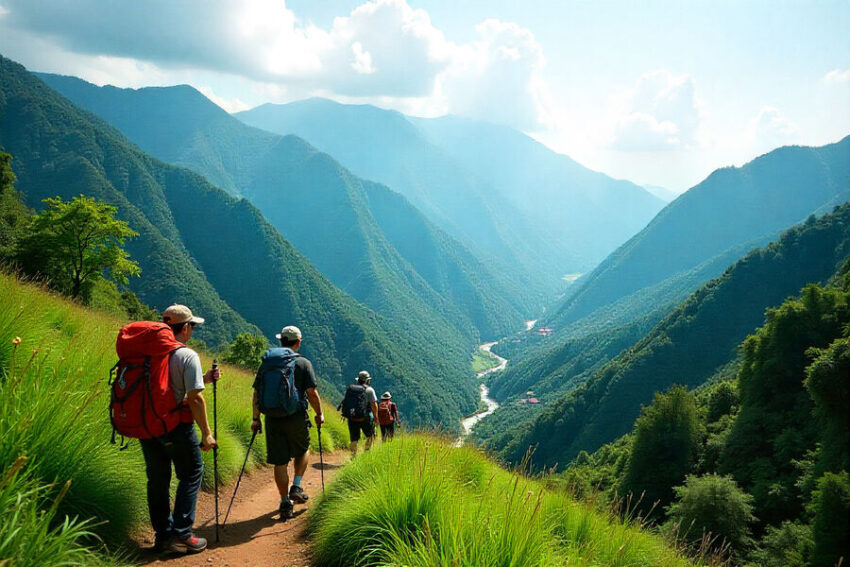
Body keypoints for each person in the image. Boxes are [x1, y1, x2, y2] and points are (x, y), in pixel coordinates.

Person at [140, 304, 220, 555]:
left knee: (158, 479)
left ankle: (163, 535)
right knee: (192, 471)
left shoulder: (146, 352)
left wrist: (204, 378)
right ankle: (182, 535)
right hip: (175, 426)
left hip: (147, 425)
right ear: (185, 328)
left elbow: (166, 388)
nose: (192, 331)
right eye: (192, 326)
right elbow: (195, 399)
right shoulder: (186, 355)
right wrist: (207, 433)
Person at [251, 325, 324, 521]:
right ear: (298, 342)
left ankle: (284, 502)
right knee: (303, 449)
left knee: (280, 462)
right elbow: (312, 393)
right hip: (296, 417)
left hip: (272, 418)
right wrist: (319, 414)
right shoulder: (303, 363)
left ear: (281, 341)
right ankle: (297, 486)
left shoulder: (267, 364)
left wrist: (255, 418)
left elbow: (257, 393)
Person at [340, 370, 379, 456]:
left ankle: (353, 456)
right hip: (365, 417)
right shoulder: (369, 390)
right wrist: (376, 418)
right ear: (367, 380)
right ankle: (366, 453)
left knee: (354, 438)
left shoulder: (351, 389)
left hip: (352, 416)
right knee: (370, 435)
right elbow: (374, 405)